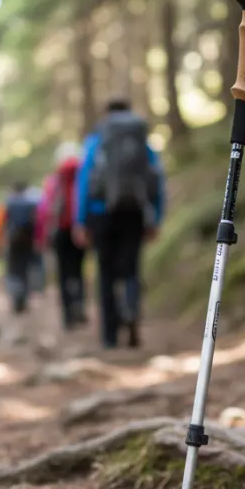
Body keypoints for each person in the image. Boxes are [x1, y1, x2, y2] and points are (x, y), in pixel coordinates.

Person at [74, 98, 166, 349]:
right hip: (134, 213)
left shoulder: (97, 140)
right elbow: (156, 178)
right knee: (131, 269)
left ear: (106, 113)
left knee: (106, 273)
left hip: (101, 214)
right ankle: (131, 309)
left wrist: (80, 220)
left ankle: (110, 335)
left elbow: (84, 181)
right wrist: (156, 217)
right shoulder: (141, 140)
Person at [40, 141, 88, 330]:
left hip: (60, 231)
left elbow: (45, 210)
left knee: (64, 271)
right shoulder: (82, 176)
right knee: (78, 269)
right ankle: (79, 305)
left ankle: (68, 315)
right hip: (80, 229)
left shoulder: (53, 180)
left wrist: (43, 236)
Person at [1, 182, 40, 314]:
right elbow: (37, 221)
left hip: (14, 241)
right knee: (25, 269)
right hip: (28, 241)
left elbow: (4, 222)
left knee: (14, 270)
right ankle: (24, 299)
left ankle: (16, 298)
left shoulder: (9, 203)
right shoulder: (31, 203)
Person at [26, 185, 47, 295]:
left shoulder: (29, 208)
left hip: (28, 242)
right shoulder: (41, 207)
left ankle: (33, 287)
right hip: (36, 240)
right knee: (38, 263)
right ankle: (38, 287)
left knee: (31, 264)